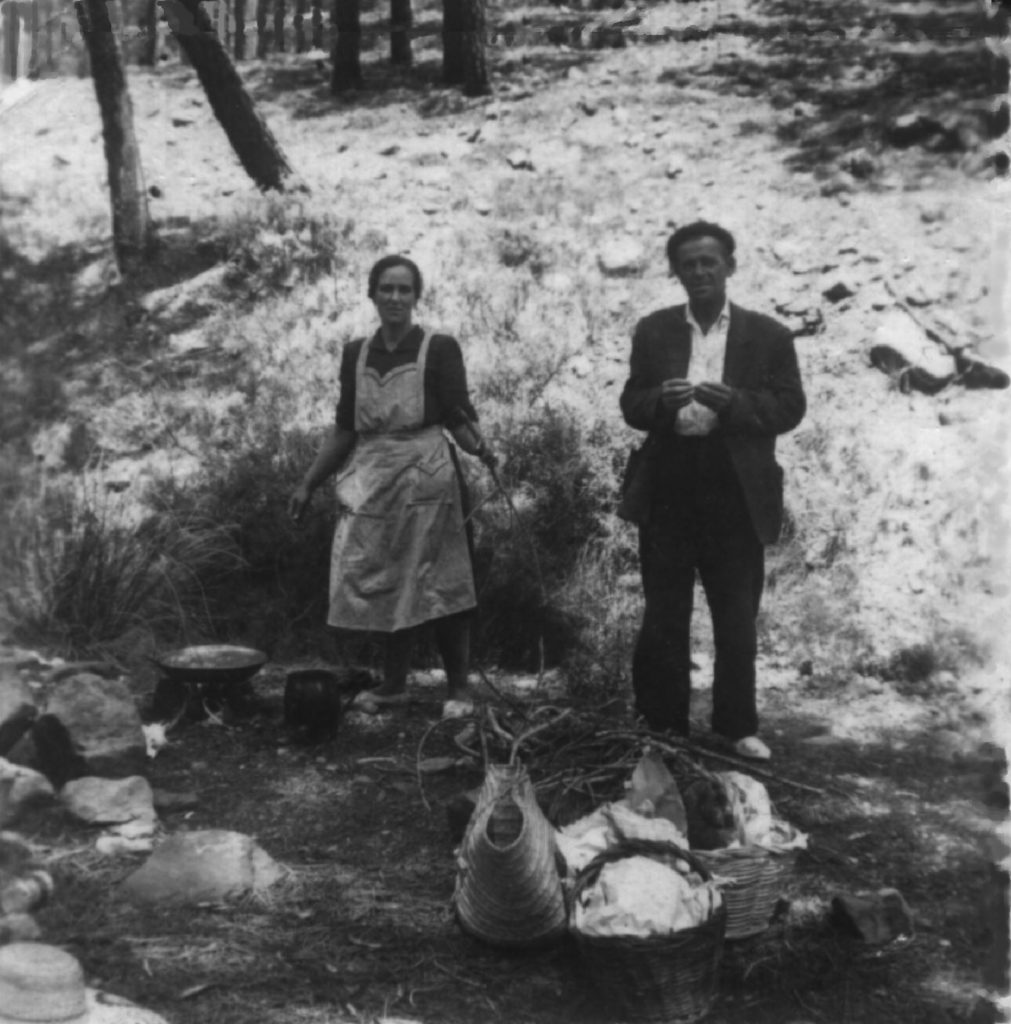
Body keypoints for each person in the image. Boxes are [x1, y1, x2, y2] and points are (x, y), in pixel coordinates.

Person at [619, 221, 806, 760]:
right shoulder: (654, 331)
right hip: (670, 483)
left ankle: (736, 724)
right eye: (688, 263)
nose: (699, 271)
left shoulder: (768, 334)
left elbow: (790, 408)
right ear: (675, 271)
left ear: (730, 266)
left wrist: (736, 404)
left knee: (735, 611)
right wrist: (660, 400)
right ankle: (663, 725)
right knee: (664, 612)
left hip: (736, 488)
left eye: (710, 261)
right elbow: (632, 402)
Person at [288, 255, 495, 714]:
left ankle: (459, 689)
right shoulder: (355, 353)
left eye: (405, 289)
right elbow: (345, 428)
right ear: (372, 294)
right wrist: (308, 482)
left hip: (427, 473)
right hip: (372, 474)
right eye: (387, 289)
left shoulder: (439, 348)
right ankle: (394, 685)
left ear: (416, 296)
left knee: (443, 578)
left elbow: (460, 418)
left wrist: (480, 448)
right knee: (383, 574)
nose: (395, 298)